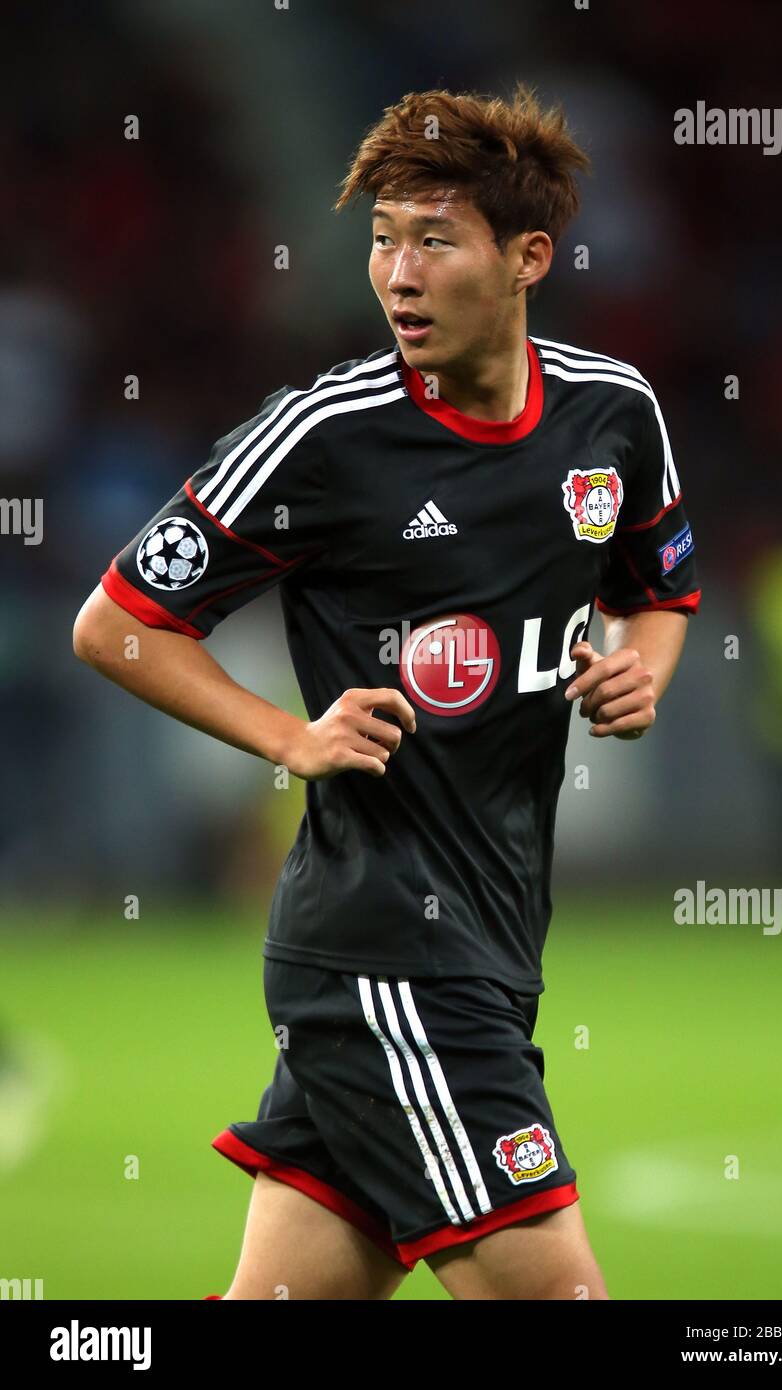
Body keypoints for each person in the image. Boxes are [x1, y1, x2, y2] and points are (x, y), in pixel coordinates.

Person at [72, 83, 700, 1300]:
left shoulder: (610, 415)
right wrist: (284, 737)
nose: (397, 274)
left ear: (526, 258)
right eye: (381, 241)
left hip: (494, 936)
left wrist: (641, 673)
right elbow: (116, 625)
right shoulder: (324, 436)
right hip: (390, 953)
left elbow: (659, 584)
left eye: (432, 240)